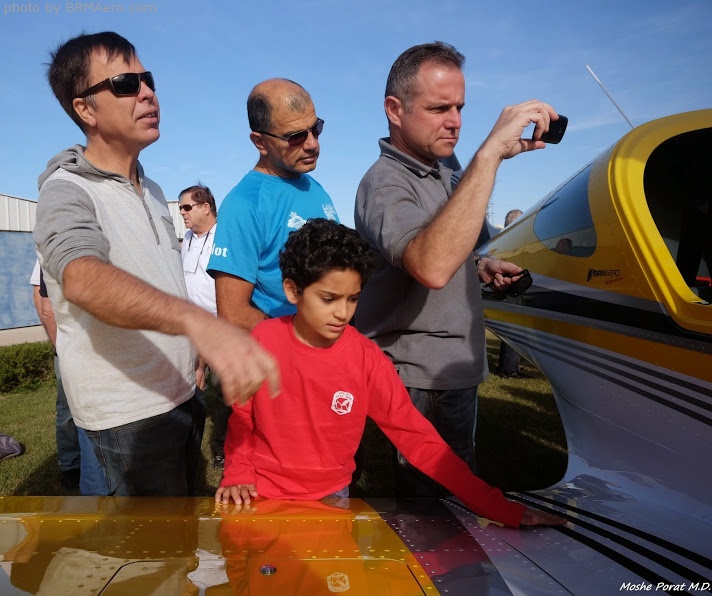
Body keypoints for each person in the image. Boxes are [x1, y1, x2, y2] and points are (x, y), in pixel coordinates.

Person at [33, 31, 279, 497]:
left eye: (148, 79)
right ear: (84, 109)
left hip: (181, 399)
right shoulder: (66, 191)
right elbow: (81, 277)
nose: (148, 93)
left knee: (179, 550)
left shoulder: (152, 190)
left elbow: (164, 280)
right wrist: (199, 325)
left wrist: (194, 355)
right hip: (127, 421)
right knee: (143, 564)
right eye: (126, 83)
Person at [215, 219, 564, 528]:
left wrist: (499, 508)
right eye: (329, 298)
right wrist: (238, 472)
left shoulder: (366, 358)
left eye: (352, 299)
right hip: (260, 492)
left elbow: (418, 438)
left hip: (333, 495)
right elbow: (243, 418)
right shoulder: (263, 340)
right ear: (293, 290)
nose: (342, 313)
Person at [354, 41, 561, 499]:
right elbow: (428, 265)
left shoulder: (446, 169)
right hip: (412, 379)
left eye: (460, 107)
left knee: (454, 499)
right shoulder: (383, 182)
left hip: (457, 371)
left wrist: (481, 264)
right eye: (439, 107)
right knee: (420, 516)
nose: (455, 121)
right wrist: (490, 155)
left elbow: (454, 248)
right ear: (395, 109)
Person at [207, 78, 339, 333]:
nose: (312, 143)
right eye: (295, 137)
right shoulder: (244, 203)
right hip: (283, 364)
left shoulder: (315, 188)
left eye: (316, 128)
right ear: (260, 142)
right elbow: (233, 313)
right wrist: (303, 338)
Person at [30, 261, 108, 494]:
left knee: (84, 412)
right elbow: (43, 305)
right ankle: (71, 465)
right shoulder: (53, 251)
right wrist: (61, 349)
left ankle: (82, 467)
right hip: (72, 349)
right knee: (69, 410)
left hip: (85, 350)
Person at [178, 183, 231, 469]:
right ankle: (191, 448)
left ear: (206, 207)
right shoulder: (186, 238)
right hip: (192, 326)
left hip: (222, 327)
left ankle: (223, 449)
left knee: (225, 391)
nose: (182, 213)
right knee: (192, 387)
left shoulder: (226, 234)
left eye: (187, 207)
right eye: (180, 208)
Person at [496, 209, 528, 379]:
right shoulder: (516, 240)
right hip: (512, 290)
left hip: (503, 289)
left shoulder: (501, 239)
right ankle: (510, 370)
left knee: (508, 330)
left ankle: (506, 366)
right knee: (513, 330)